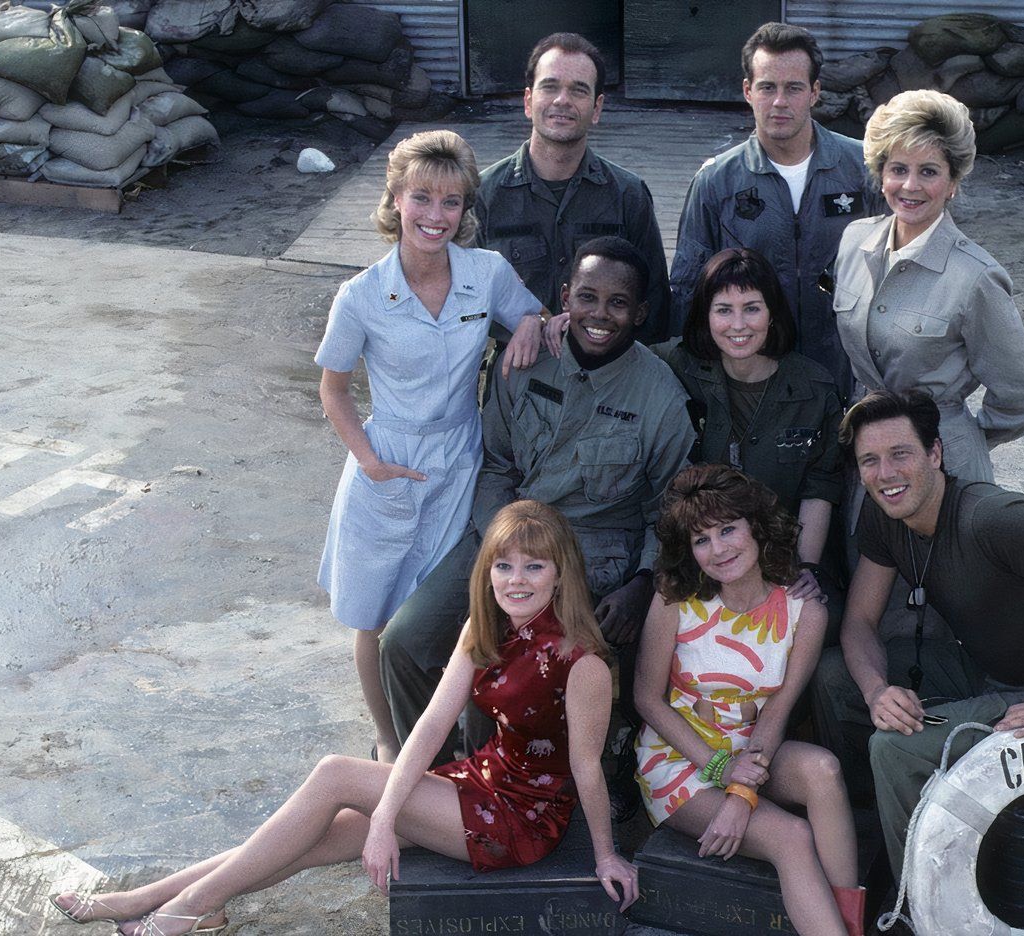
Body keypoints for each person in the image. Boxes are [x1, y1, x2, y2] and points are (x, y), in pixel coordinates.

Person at [48, 501, 637, 936]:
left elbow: (587, 770)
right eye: (503, 566)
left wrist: (606, 856)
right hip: (476, 784)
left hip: (521, 820)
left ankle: (184, 910)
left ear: (560, 573)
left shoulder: (581, 661)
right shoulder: (486, 627)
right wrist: (385, 817)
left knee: (335, 774)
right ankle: (156, 901)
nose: (516, 581)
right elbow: (432, 725)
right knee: (312, 839)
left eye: (534, 568)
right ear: (486, 571)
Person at [380, 236, 695, 765]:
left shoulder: (660, 396)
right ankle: (433, 776)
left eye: (618, 303)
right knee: (404, 642)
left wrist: (643, 582)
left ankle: (493, 787)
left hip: (593, 552)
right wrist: (504, 543)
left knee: (499, 665)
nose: (600, 314)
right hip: (507, 532)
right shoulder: (526, 360)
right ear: (565, 296)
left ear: (640, 313)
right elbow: (496, 464)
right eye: (587, 297)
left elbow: (670, 509)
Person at [811, 390, 1024, 879]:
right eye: (870, 461)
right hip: (984, 673)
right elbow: (859, 621)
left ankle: (916, 898)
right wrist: (877, 691)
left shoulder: (993, 517)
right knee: (834, 675)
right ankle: (871, 827)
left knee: (895, 747)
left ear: (935, 453)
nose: (886, 474)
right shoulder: (886, 515)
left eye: (900, 454)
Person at [314, 129, 558, 762]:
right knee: (373, 619)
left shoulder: (486, 272)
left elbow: (536, 315)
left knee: (445, 613)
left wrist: (528, 324)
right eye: (421, 197)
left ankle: (452, 746)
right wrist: (370, 462)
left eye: (451, 202)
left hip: (460, 461)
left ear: (465, 209)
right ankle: (389, 741)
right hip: (387, 462)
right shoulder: (361, 295)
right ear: (396, 199)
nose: (435, 215)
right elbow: (333, 391)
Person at [634, 465, 864, 935]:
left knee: (824, 770)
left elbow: (778, 709)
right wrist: (720, 770)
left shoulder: (805, 611)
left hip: (755, 750)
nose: (718, 549)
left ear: (756, 527)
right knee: (791, 836)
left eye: (727, 529)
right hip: (681, 757)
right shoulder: (674, 601)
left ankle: (850, 926)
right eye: (701, 540)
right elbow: (647, 699)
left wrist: (740, 795)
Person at [832, 90, 1024, 485]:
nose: (910, 185)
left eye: (928, 171)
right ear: (881, 175)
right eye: (898, 169)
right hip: (868, 458)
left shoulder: (976, 276)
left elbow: (1022, 393)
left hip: (943, 467)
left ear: (952, 183)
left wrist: (964, 439)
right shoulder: (853, 242)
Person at [670, 22, 883, 388]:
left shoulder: (863, 170)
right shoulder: (716, 183)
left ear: (814, 93)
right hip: (750, 383)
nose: (780, 101)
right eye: (767, 87)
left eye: (794, 88)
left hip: (846, 377)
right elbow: (687, 291)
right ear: (748, 91)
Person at [660, 247, 847, 609]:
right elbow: (621, 355)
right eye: (723, 310)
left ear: (772, 313)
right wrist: (554, 325)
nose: (738, 325)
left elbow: (820, 487)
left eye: (751, 308)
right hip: (705, 563)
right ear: (705, 315)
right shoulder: (677, 365)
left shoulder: (814, 388)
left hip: (783, 561)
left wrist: (806, 567)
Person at [475, 32, 671, 344]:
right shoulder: (483, 195)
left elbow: (655, 305)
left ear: (597, 108)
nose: (562, 100)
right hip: (515, 364)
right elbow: (463, 304)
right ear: (528, 101)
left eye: (578, 90)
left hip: (606, 366)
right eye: (550, 87)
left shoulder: (628, 196)